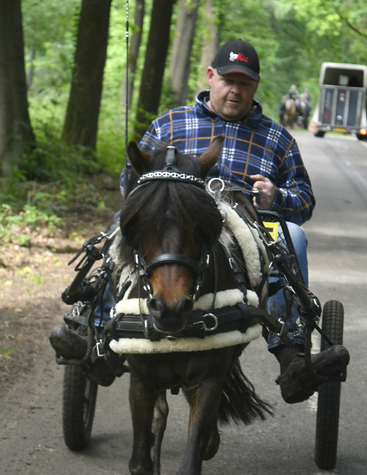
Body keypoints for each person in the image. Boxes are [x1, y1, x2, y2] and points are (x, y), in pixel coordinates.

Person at [51, 39, 349, 401]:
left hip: (251, 222)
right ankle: (95, 336)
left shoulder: (277, 138)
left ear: (256, 85)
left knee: (295, 236)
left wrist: (277, 196)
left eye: (244, 83)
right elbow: (130, 179)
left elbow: (304, 198)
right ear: (211, 77)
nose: (235, 90)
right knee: (118, 231)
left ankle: (291, 352)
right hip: (174, 222)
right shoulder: (169, 123)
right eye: (228, 80)